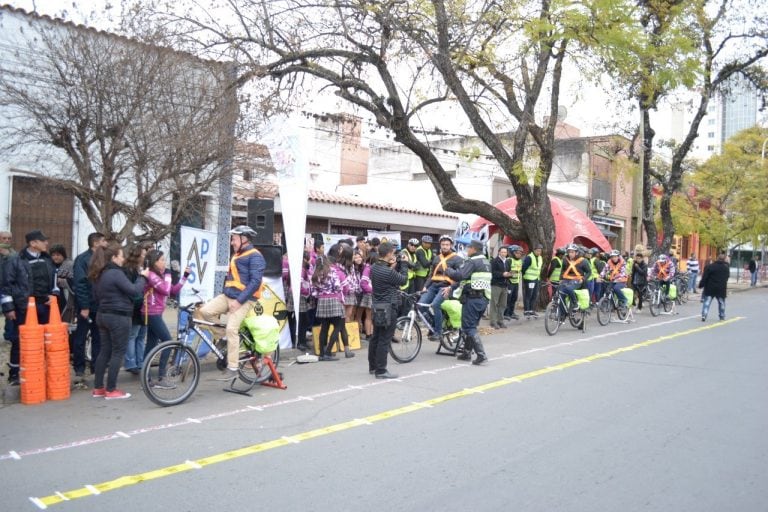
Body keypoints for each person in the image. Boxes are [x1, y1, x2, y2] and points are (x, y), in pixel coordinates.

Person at [195, 226, 266, 378]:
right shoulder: (237, 255)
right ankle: (224, 337)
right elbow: (230, 279)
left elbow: (255, 282)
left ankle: (233, 367)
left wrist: (239, 301)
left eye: (234, 239)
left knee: (232, 329)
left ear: (244, 239)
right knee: (205, 312)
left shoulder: (255, 256)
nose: (231, 242)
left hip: (244, 299)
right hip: (227, 296)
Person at [89, 243, 148, 399]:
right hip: (118, 317)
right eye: (121, 256)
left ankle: (98, 388)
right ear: (114, 257)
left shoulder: (100, 273)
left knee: (104, 351)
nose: (123, 259)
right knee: (117, 352)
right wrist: (143, 277)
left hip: (102, 315)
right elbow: (135, 291)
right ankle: (111, 389)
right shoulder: (115, 273)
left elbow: (95, 297)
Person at [0, 230, 58, 385]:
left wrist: (53, 295)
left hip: (44, 308)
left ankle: (39, 372)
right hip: (23, 308)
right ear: (33, 243)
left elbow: (54, 282)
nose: (46, 243)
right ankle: (15, 374)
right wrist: (8, 308)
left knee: (43, 341)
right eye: (43, 240)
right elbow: (6, 286)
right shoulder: (15, 261)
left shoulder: (47, 261)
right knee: (20, 341)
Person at [142, 249, 190, 387]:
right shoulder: (151, 275)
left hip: (155, 312)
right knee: (168, 341)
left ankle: (146, 378)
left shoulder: (160, 275)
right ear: (154, 262)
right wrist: (168, 274)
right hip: (151, 313)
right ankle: (161, 377)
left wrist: (184, 277)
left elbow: (172, 291)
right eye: (162, 260)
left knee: (151, 344)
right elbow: (164, 289)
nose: (164, 262)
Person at [447, 240, 491, 365]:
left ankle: (481, 356)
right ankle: (466, 353)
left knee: (469, 327)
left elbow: (460, 275)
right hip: (483, 298)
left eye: (468, 248)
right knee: (471, 326)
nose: (467, 250)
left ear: (474, 249)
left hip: (472, 298)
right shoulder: (486, 262)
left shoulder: (473, 261)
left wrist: (449, 271)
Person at [368, 242, 408, 378]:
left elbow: (387, 276)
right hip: (389, 307)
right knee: (384, 339)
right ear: (390, 253)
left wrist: (392, 265)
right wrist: (404, 265)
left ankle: (373, 366)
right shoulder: (388, 271)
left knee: (376, 337)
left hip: (377, 306)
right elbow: (403, 280)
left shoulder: (374, 268)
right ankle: (381, 370)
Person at [72, 232, 108, 378]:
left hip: (99, 305)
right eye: (103, 241)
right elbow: (80, 284)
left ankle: (96, 367)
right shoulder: (82, 259)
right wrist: (84, 306)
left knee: (98, 337)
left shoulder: (103, 259)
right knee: (80, 337)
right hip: (86, 306)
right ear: (95, 243)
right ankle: (79, 368)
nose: (106, 244)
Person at [312, 244, 353, 360]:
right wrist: (342, 296)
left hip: (321, 301)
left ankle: (322, 352)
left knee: (324, 327)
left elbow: (314, 288)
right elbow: (345, 287)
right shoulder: (337, 272)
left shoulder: (318, 272)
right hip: (335, 300)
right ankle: (328, 352)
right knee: (339, 326)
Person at [418, 235, 463, 341]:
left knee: (435, 304)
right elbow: (431, 275)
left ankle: (438, 332)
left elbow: (460, 278)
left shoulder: (457, 259)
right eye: (443, 244)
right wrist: (425, 286)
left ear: (451, 245)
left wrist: (451, 288)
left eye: (447, 245)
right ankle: (434, 324)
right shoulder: (436, 258)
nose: (445, 247)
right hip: (433, 286)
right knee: (420, 306)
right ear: (440, 245)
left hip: (446, 287)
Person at [123, 242, 150, 375]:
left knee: (141, 336)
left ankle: (140, 362)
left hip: (144, 307)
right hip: (135, 307)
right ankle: (130, 362)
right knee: (132, 335)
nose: (145, 257)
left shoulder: (143, 268)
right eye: (143, 254)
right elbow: (132, 289)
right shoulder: (129, 269)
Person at [557, 244, 591, 319]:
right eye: (569, 252)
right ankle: (563, 314)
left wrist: (583, 279)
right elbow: (563, 270)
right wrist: (561, 279)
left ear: (576, 253)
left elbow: (589, 272)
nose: (570, 254)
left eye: (572, 252)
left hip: (577, 280)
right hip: (566, 279)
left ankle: (575, 304)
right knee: (560, 292)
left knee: (569, 288)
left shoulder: (583, 261)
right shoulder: (565, 260)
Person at [699, 252, 729, 321]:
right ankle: (722, 316)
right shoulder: (726, 268)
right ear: (724, 259)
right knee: (721, 303)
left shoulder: (710, 266)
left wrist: (701, 285)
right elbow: (727, 277)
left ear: (717, 258)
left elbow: (705, 277)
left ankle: (704, 315)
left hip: (710, 287)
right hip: (721, 288)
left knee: (707, 302)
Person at [49, 244, 74, 318]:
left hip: (65, 297)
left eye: (58, 255)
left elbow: (74, 281)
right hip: (52, 298)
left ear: (63, 255)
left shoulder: (70, 265)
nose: (55, 257)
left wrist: (63, 281)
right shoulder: (49, 266)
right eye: (53, 255)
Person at [489, 246, 509, 329]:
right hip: (496, 285)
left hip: (504, 285)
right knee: (494, 304)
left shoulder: (507, 262)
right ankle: (493, 322)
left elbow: (507, 271)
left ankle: (500, 321)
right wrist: (502, 274)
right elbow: (492, 272)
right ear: (499, 252)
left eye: (505, 252)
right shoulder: (494, 261)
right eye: (502, 252)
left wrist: (510, 274)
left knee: (503, 304)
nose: (504, 254)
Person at [521, 245, 543, 318]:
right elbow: (523, 268)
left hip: (536, 279)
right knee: (528, 295)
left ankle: (531, 310)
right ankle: (526, 311)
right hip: (529, 279)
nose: (539, 252)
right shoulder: (529, 257)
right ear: (534, 250)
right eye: (538, 251)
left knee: (534, 295)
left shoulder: (540, 258)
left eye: (540, 251)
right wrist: (525, 276)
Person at [504, 244, 524, 320]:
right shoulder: (509, 260)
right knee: (508, 298)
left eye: (520, 253)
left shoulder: (520, 261)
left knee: (514, 298)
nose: (519, 255)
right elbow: (506, 271)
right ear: (512, 253)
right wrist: (511, 274)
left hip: (516, 282)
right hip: (510, 282)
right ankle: (505, 313)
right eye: (517, 253)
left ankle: (511, 312)